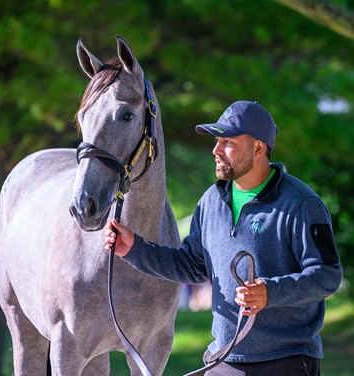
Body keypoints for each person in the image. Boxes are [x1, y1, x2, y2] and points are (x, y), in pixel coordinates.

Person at [104, 100, 343, 375]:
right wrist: (133, 249)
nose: (216, 150)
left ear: (258, 148)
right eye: (217, 141)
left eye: (228, 142)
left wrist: (270, 293)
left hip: (286, 361)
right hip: (224, 360)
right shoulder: (210, 202)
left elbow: (327, 275)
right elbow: (192, 265)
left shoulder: (301, 204)